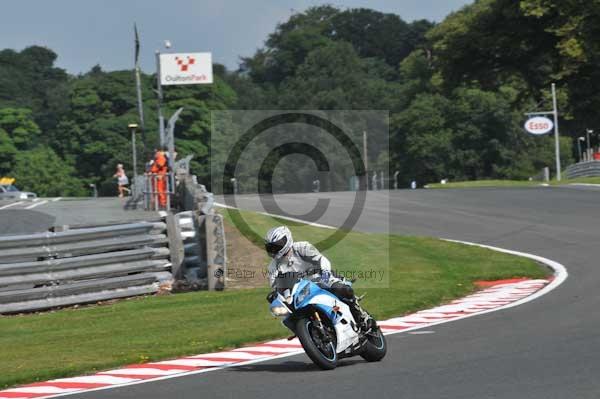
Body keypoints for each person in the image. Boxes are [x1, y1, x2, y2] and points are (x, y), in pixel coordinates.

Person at [264, 226, 373, 331]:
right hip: (299, 293)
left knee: (342, 289)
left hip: (320, 278)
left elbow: (322, 260)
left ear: (286, 240)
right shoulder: (272, 267)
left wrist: (325, 276)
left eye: (276, 246)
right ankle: (308, 332)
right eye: (271, 247)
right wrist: (275, 296)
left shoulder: (302, 247)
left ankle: (360, 314)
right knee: (287, 317)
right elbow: (276, 286)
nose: (273, 250)